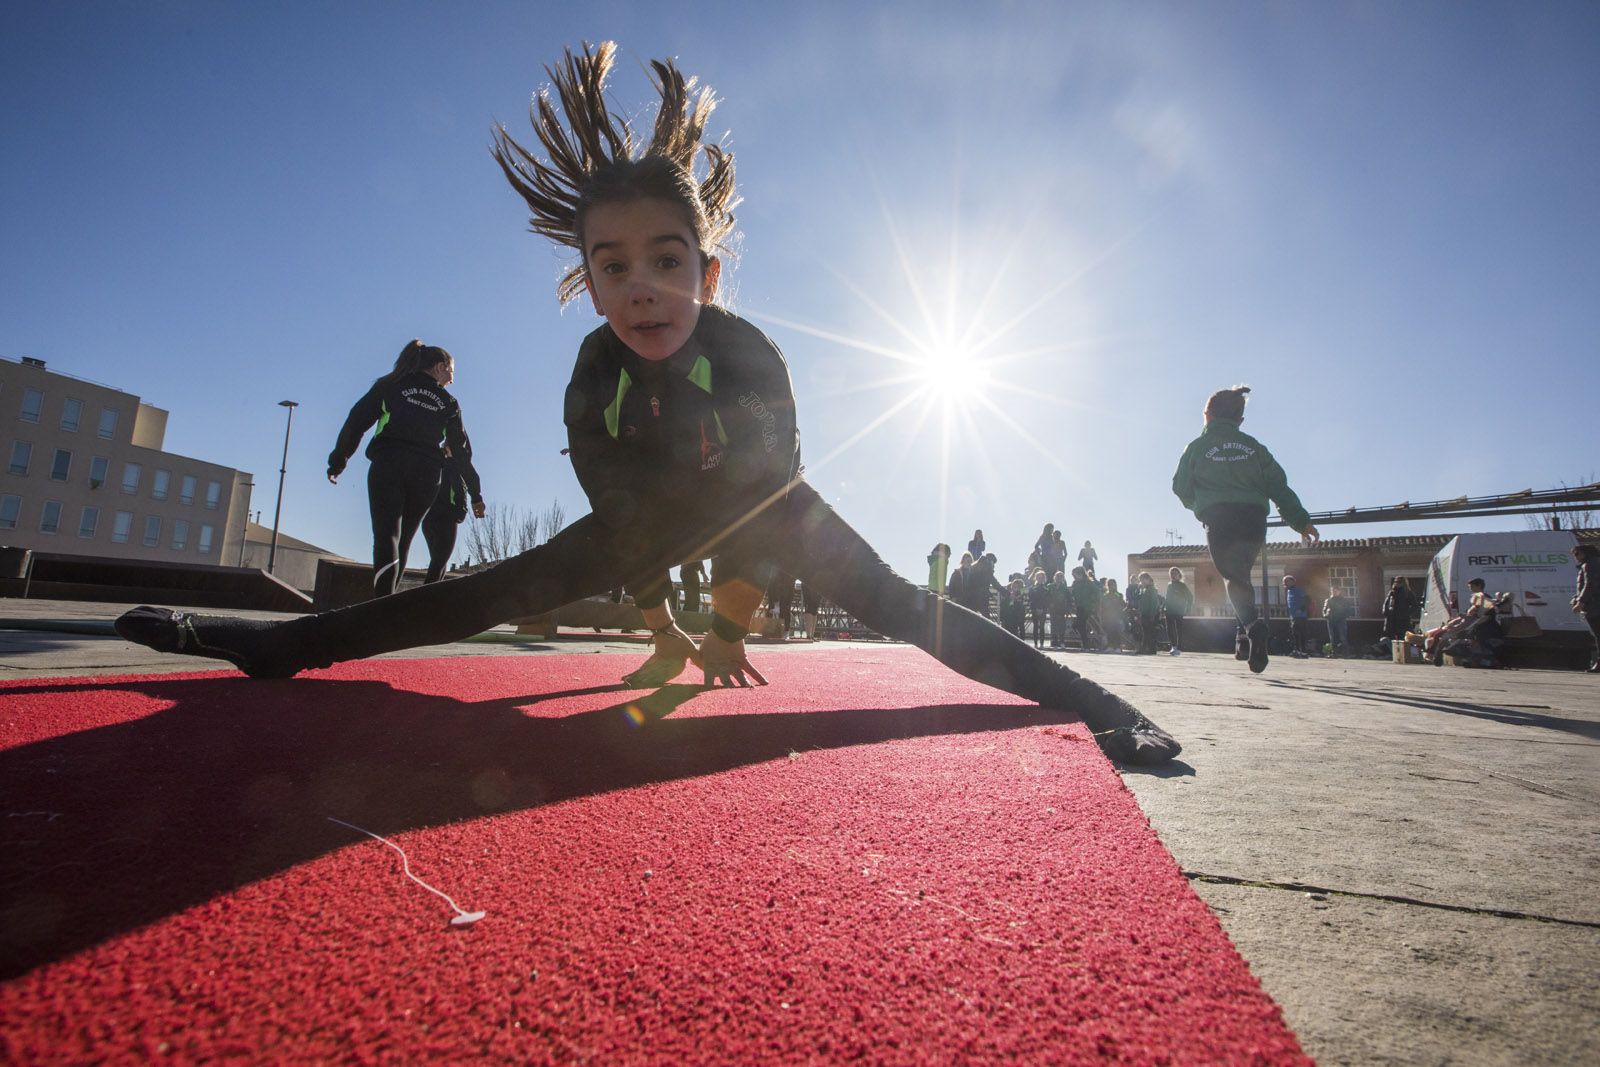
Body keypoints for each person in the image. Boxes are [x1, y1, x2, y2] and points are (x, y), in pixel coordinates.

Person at [113, 43, 1177, 765]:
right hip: (644, 514)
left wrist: (731, 620)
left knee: (906, 602)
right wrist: (662, 606)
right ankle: (270, 643)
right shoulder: (591, 369)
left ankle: (1101, 704)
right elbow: (621, 509)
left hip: (777, 509)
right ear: (585, 277)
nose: (640, 287)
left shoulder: (750, 351)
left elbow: (767, 498)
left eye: (665, 260)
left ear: (706, 275)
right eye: (611, 265)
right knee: (471, 592)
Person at [1172, 385, 1319, 674]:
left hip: (1219, 518)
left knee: (1233, 578)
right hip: (1253, 520)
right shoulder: (1254, 447)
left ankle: (1252, 627)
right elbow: (1279, 487)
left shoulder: (1196, 448)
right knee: (1243, 575)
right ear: (1240, 420)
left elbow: (1180, 487)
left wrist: (1200, 505)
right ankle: (1244, 639)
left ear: (1206, 415)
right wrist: (1300, 521)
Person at [327, 340, 473, 598]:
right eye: (451, 371)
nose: (451, 379)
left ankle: (381, 603)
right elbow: (461, 451)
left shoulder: (389, 386)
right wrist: (474, 491)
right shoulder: (449, 402)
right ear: (439, 367)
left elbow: (356, 421)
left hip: (389, 466)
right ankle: (389, 606)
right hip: (427, 475)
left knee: (387, 536)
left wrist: (339, 460)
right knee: (404, 539)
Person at [420, 446, 487, 583]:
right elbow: (459, 489)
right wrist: (459, 513)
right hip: (446, 519)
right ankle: (424, 600)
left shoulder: (429, 464)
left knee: (439, 562)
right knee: (438, 564)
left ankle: (432, 597)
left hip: (427, 519)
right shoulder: (451, 467)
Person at [1571, 544, 1600, 673]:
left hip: (1595, 606)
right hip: (1594, 604)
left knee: (1598, 635)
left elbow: (1590, 584)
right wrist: (1576, 598)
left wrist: (1580, 602)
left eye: (1577, 554)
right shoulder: (1592, 563)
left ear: (1585, 552)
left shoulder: (1589, 564)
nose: (1575, 557)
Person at [1069, 566, 1100, 651]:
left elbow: (1097, 593)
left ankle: (1087, 644)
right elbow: (1073, 593)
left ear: (1080, 574)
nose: (1073, 577)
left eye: (1074, 575)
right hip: (1079, 607)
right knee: (1081, 626)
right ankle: (1086, 645)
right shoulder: (1075, 583)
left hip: (1088, 607)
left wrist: (1093, 603)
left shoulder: (1088, 582)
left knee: (1078, 623)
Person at [1163, 567, 1192, 656]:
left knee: (1179, 629)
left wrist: (1188, 608)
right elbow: (1167, 598)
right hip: (1169, 610)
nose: (1173, 575)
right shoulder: (1169, 585)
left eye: (1175, 573)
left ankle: (1179, 647)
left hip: (1179, 610)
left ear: (1179, 575)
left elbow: (1190, 597)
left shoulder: (1182, 585)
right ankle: (1173, 646)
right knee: (1169, 629)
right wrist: (1163, 607)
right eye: (1171, 573)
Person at [1134, 572, 1163, 654]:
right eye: (1140, 580)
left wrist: (1152, 615)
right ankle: (1146, 648)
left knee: (1150, 632)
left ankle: (1150, 649)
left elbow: (1154, 603)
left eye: (1143, 580)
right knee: (1146, 632)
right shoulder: (1143, 590)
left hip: (1151, 614)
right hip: (1144, 614)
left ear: (1148, 579)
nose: (1141, 582)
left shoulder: (1152, 590)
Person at [1283, 575, 1310, 658]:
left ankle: (1303, 652)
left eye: (1286, 582)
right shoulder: (1289, 591)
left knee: (1301, 634)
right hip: (1293, 616)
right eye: (1284, 582)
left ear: (1292, 582)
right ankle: (1297, 651)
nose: (1285, 584)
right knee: (1295, 634)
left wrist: (1301, 610)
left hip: (1300, 616)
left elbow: (1307, 599)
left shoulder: (1298, 590)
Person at [1382, 577, 1416, 642]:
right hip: (1392, 619)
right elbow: (1386, 603)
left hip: (1403, 620)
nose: (1396, 583)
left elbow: (1415, 606)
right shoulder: (1391, 592)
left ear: (1403, 583)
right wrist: (1386, 612)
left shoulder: (1408, 593)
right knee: (1391, 638)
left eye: (1398, 582)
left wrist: (1406, 613)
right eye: (1395, 581)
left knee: (1403, 638)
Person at [1323, 588, 1354, 656]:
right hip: (1331, 621)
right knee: (1332, 637)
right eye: (1332, 591)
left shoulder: (1344, 600)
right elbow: (1324, 609)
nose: (1334, 592)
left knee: (1342, 636)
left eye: (1335, 591)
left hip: (1341, 621)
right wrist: (1326, 615)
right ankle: (1334, 652)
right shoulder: (1328, 600)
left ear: (1339, 591)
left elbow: (1348, 610)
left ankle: (1345, 652)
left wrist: (1344, 616)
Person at [1099, 578, 1127, 652]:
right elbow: (1102, 606)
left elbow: (1122, 604)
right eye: (1110, 585)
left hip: (1117, 616)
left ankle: (1118, 647)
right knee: (1109, 631)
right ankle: (1110, 646)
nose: (1111, 586)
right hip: (1107, 617)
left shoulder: (1118, 595)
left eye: (1113, 585)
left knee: (1117, 632)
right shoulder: (1105, 595)